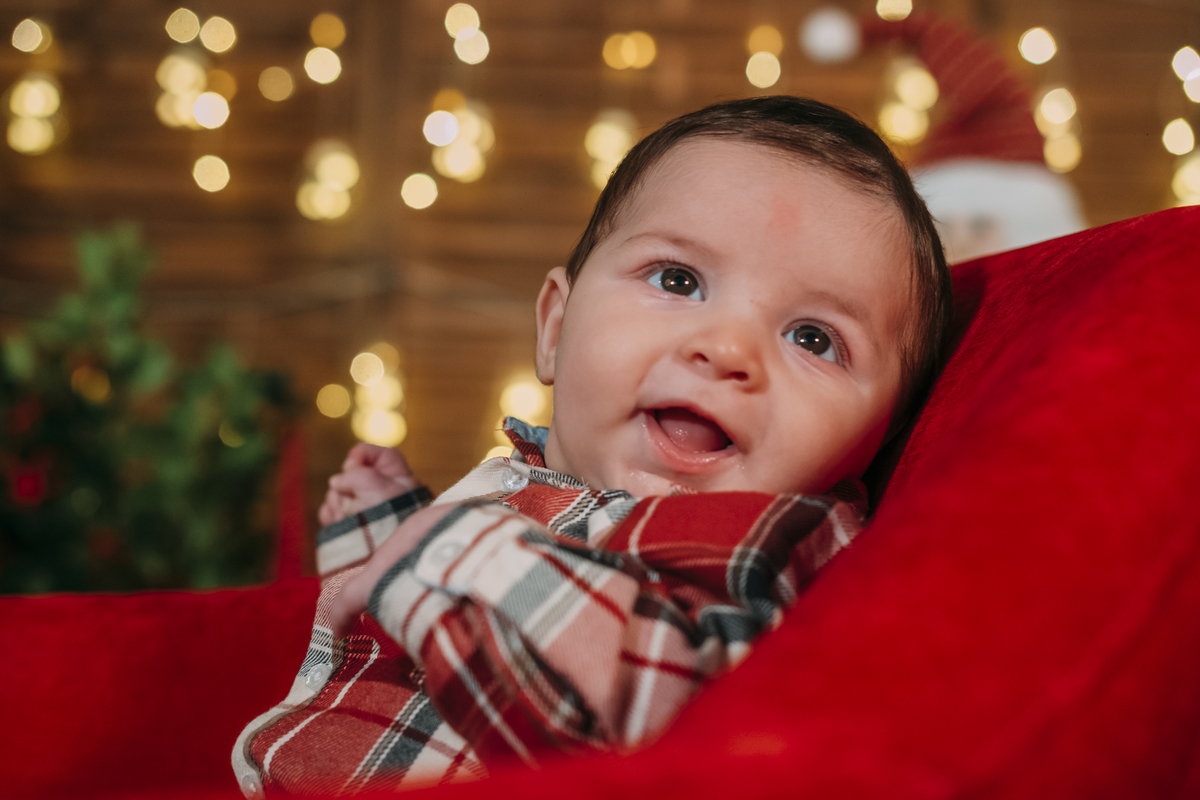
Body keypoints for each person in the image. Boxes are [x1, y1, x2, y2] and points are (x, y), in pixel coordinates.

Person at [232, 95, 953, 797]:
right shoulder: (520, 484)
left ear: (878, 436)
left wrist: (440, 546)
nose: (728, 348)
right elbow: (400, 631)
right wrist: (391, 528)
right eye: (678, 279)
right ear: (554, 329)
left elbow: (662, 701)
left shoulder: (767, 535)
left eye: (813, 339)